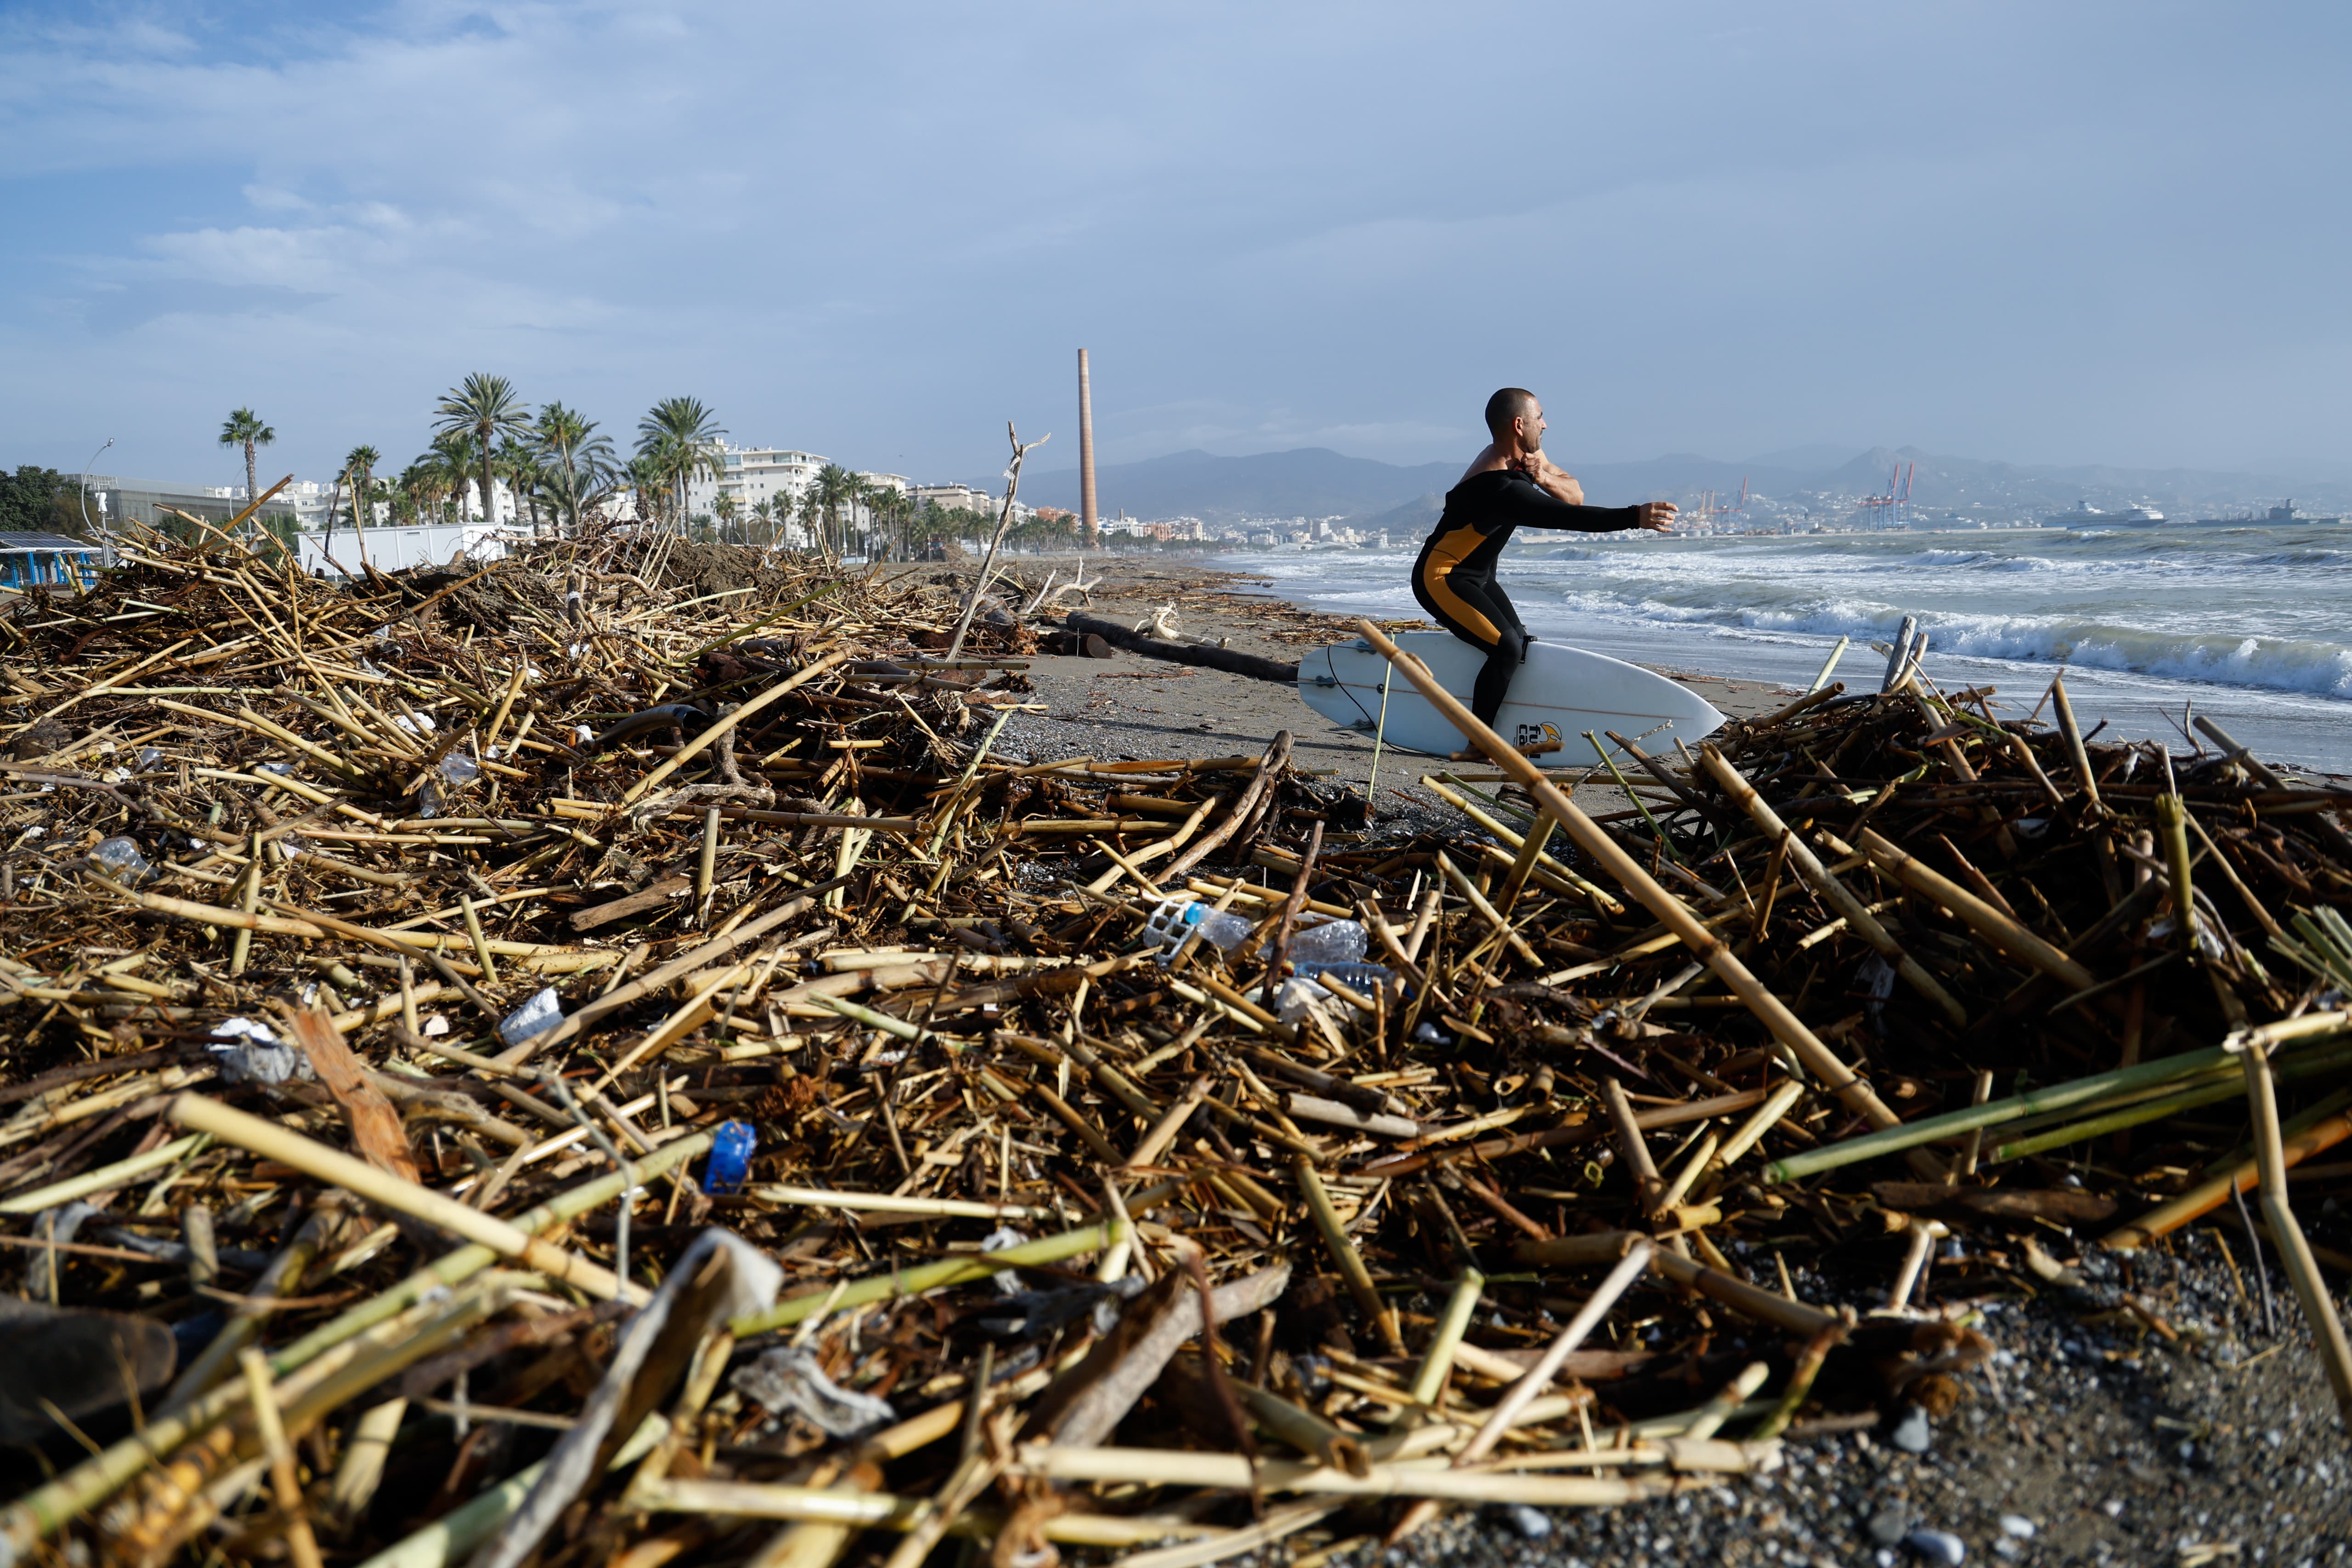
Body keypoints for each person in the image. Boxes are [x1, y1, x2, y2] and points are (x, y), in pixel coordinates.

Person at [1411, 387, 1677, 731]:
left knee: (1518, 642)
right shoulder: (1499, 486)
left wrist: (1543, 475)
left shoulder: (1519, 457)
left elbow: (1575, 495)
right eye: (1540, 418)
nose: (1546, 425)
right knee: (1506, 647)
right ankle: (1479, 743)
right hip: (1441, 577)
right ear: (1520, 425)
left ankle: (1485, 703)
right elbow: (1570, 518)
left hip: (1476, 576)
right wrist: (1633, 516)